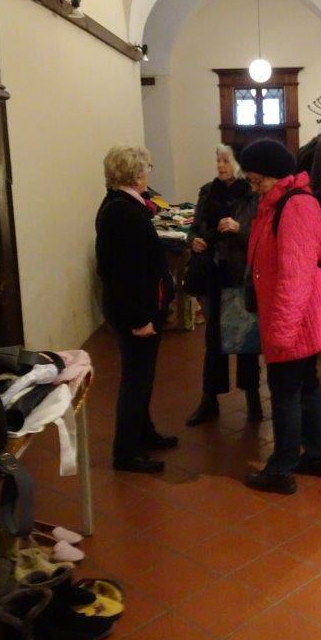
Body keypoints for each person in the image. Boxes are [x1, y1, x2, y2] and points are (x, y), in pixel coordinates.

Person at [240, 138, 321, 495]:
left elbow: (295, 275)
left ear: (274, 174)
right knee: (305, 384)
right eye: (251, 180)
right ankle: (319, 455)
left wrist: (282, 330)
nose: (254, 186)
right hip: (289, 312)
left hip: (292, 315)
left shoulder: (296, 206)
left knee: (286, 390)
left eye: (257, 179)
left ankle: (282, 468)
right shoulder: (276, 203)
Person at [95, 145, 176, 473]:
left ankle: (144, 432)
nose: (149, 172)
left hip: (133, 309)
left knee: (143, 376)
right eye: (147, 167)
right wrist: (141, 318)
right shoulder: (123, 212)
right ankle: (126, 452)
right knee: (136, 380)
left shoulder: (122, 205)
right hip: (134, 313)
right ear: (135, 174)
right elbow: (128, 273)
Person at [186, 145, 262, 425]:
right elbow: (195, 227)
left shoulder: (251, 194)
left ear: (237, 164)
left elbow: (261, 234)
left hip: (238, 274)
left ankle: (253, 399)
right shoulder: (208, 191)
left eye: (225, 160)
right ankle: (209, 401)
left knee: (246, 339)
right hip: (213, 273)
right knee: (213, 340)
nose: (220, 165)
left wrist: (239, 228)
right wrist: (193, 241)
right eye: (217, 160)